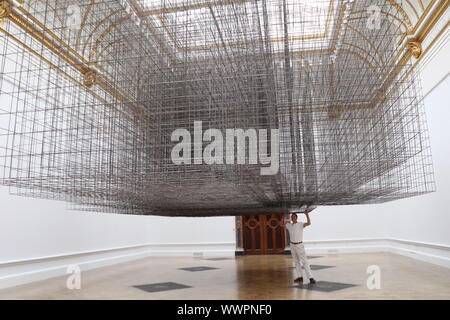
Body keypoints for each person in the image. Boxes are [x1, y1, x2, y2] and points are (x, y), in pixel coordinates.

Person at [285, 212, 316, 284]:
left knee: (304, 261)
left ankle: (311, 277)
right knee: (296, 261)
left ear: (296, 218)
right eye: (292, 217)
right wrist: (284, 219)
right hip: (292, 245)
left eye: (294, 217)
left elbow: (309, 223)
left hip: (299, 245)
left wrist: (307, 214)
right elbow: (281, 224)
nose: (293, 218)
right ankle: (300, 277)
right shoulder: (289, 225)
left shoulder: (300, 224)